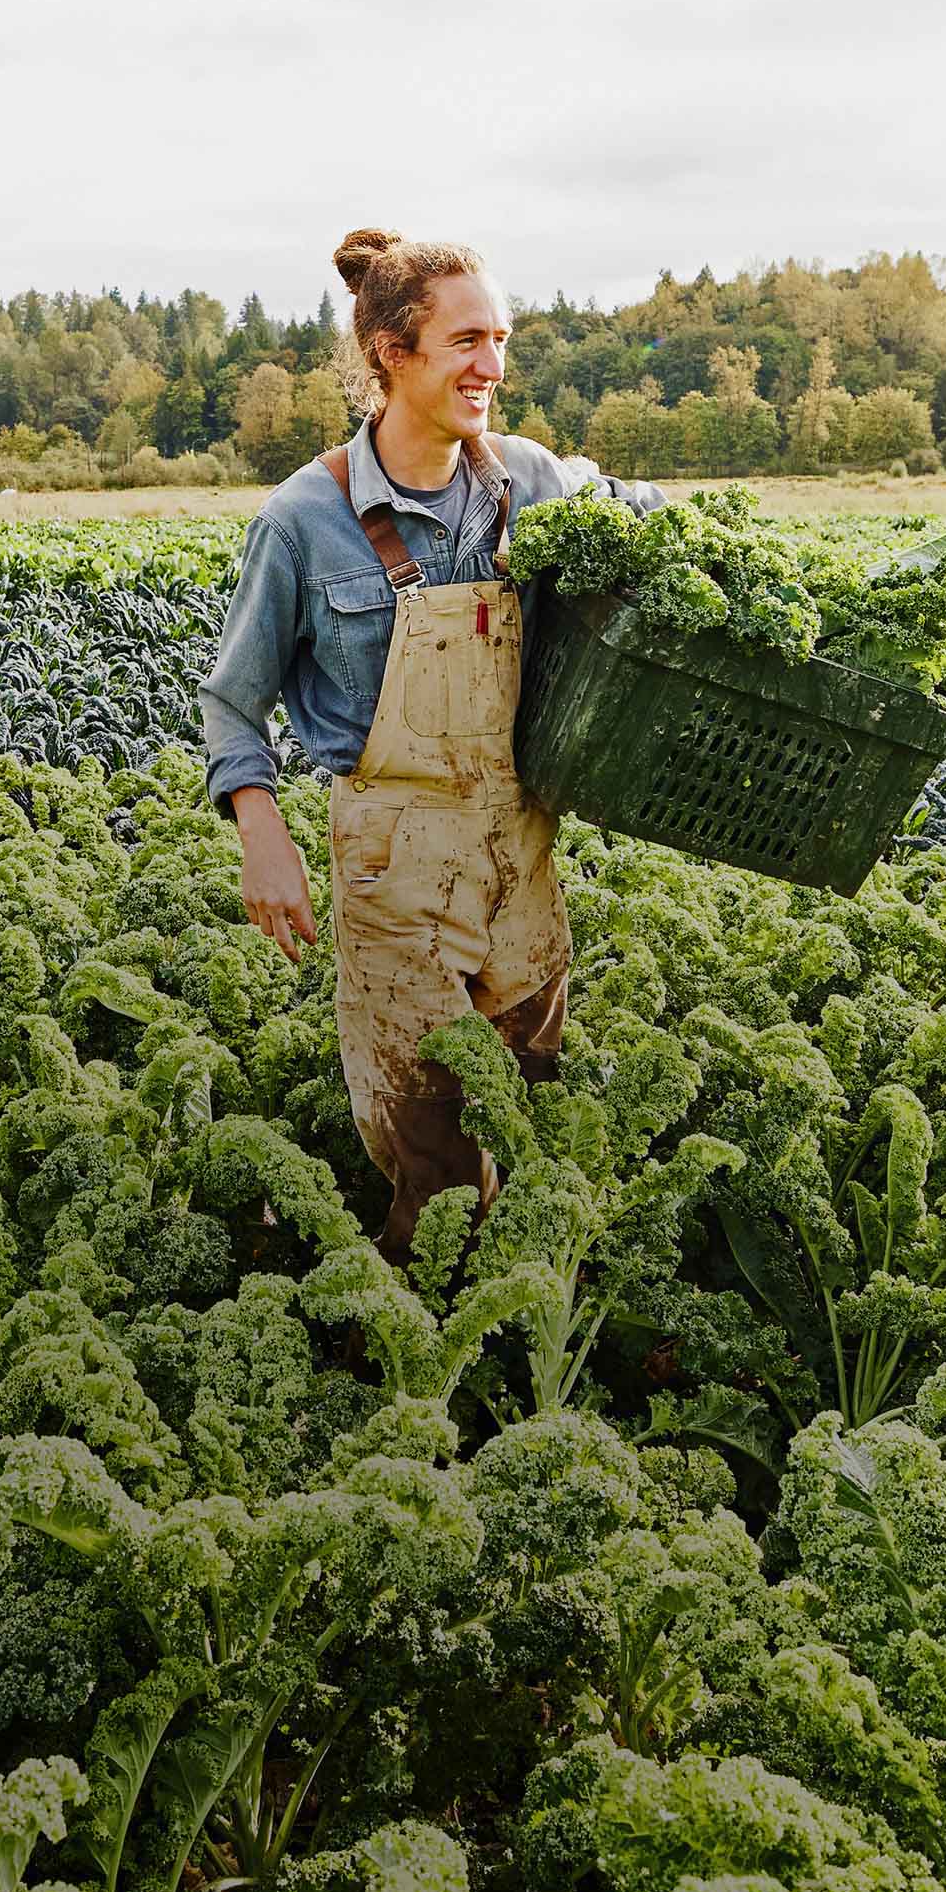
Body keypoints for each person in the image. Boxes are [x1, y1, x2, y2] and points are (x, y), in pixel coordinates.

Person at [199, 228, 662, 1258]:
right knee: (438, 1150)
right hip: (397, 871)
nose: (492, 367)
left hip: (521, 861)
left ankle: (528, 1329)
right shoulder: (303, 521)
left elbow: (645, 518)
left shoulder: (528, 480)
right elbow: (234, 703)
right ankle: (412, 1361)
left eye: (499, 339)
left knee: (532, 1108)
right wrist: (261, 834)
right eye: (465, 341)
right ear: (391, 354)